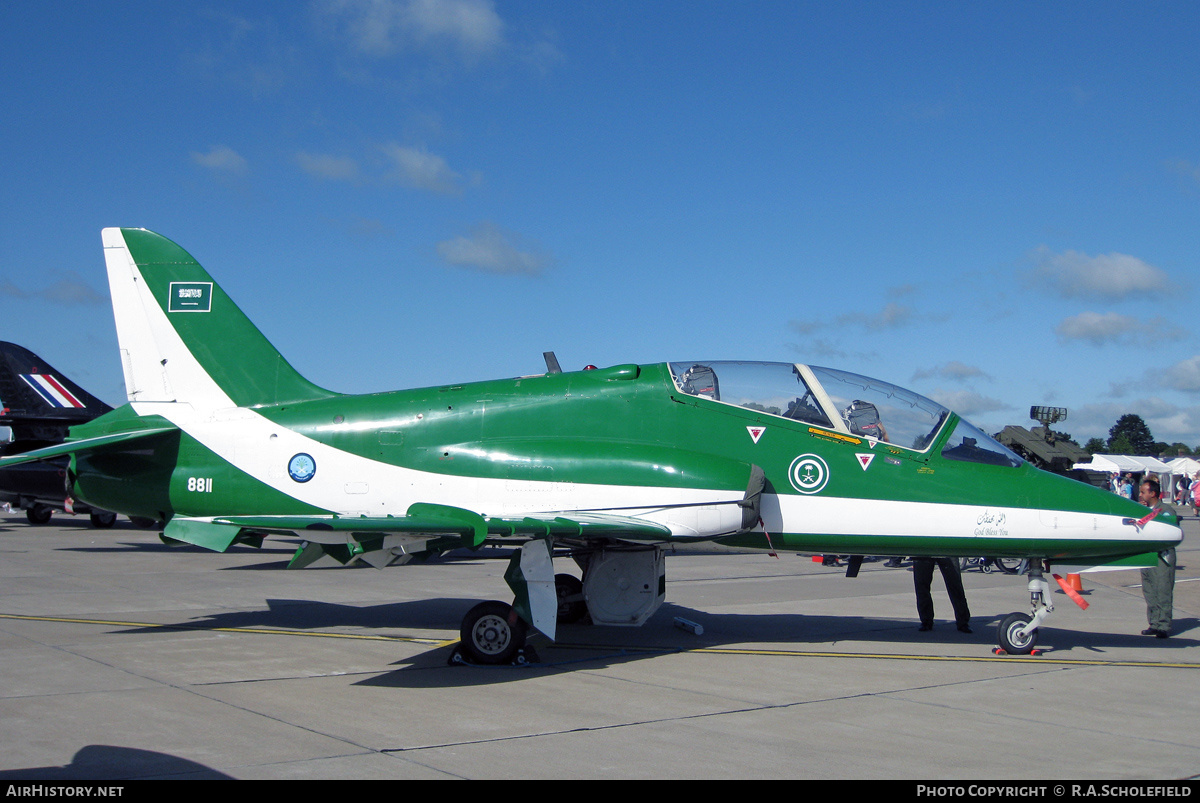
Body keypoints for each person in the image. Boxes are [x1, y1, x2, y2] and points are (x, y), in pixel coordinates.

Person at [1138, 478, 1177, 638]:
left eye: (1143, 492)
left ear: (1152, 493)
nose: (1140, 495)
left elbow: (1168, 530)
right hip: (1147, 555)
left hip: (1162, 556)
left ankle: (1163, 626)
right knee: (1150, 591)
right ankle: (1154, 623)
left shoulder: (1166, 511)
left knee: (1162, 591)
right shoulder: (1142, 510)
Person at [912, 557, 971, 633]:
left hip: (947, 550)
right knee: (921, 585)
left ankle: (963, 621)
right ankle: (926, 621)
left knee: (955, 585)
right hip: (924, 550)